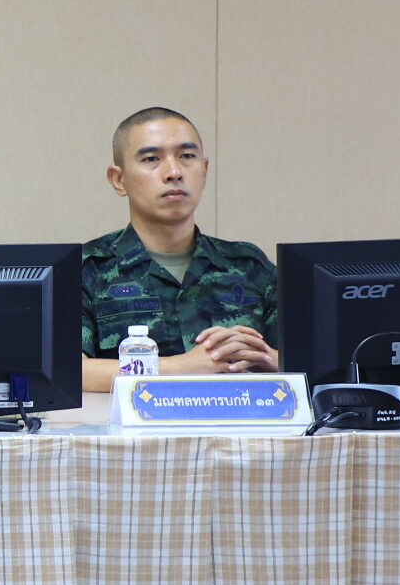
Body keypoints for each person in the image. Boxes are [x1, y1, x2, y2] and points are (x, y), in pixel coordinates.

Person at [81, 106, 279, 391]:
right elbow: (68, 370)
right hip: (131, 422)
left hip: (239, 418)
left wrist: (263, 358)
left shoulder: (249, 266)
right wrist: (180, 367)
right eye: (151, 159)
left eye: (186, 156)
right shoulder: (89, 268)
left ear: (205, 170)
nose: (174, 172)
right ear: (118, 180)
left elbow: (312, 360)